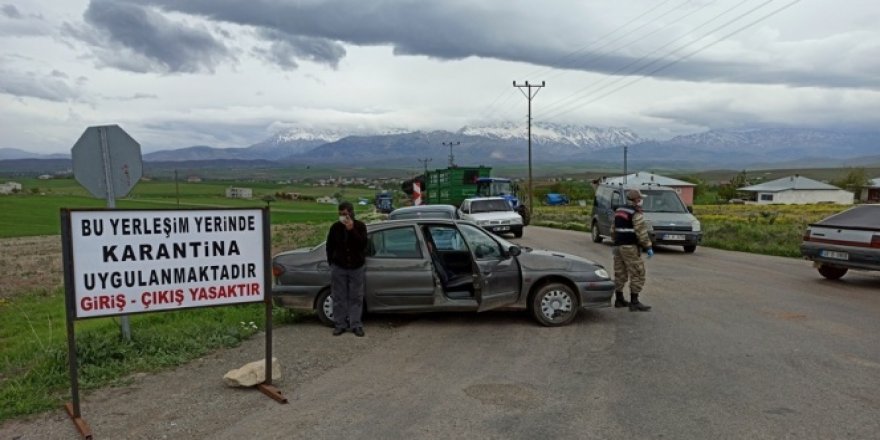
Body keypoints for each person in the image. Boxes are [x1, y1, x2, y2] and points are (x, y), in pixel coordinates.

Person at [326, 201, 368, 336]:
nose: (343, 216)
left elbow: (362, 245)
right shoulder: (335, 228)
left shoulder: (360, 226)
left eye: (344, 214)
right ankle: (340, 324)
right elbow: (329, 247)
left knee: (356, 297)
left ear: (351, 212)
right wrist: (331, 263)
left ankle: (356, 325)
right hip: (339, 267)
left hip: (356, 267)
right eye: (340, 214)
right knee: (339, 297)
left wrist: (352, 230)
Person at [611, 189, 653, 312]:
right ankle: (634, 302)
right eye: (640, 199)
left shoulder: (619, 210)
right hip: (629, 247)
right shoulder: (636, 213)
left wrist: (615, 241)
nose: (641, 201)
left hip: (617, 246)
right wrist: (648, 247)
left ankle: (619, 299)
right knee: (638, 273)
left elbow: (613, 229)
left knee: (620, 272)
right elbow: (641, 232)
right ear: (636, 200)